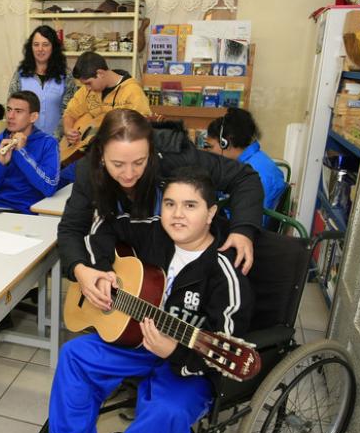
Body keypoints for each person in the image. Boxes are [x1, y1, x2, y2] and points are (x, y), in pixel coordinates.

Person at [44, 165, 253, 433]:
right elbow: (102, 224)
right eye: (170, 204)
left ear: (211, 213)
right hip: (139, 342)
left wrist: (176, 352)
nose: (177, 214)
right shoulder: (154, 232)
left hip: (189, 362)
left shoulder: (226, 274)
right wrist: (97, 268)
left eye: (190, 206)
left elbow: (225, 345)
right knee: (76, 355)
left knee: (166, 412)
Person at [58, 109, 263, 322]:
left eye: (139, 162)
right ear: (101, 155)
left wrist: (243, 230)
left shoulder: (177, 157)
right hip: (131, 266)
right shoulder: (87, 170)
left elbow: (243, 178)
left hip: (178, 262)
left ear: (151, 150)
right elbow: (71, 228)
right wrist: (80, 269)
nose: (129, 174)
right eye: (117, 164)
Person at [59, 51, 152, 183]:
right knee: (58, 174)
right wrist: (68, 129)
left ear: (100, 73)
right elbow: (70, 113)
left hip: (113, 159)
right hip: (85, 152)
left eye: (89, 83)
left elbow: (141, 129)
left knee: (63, 178)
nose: (87, 88)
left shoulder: (132, 92)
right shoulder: (87, 90)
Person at [0, 91, 59, 213]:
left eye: (18, 111)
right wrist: (0, 165)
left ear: (33, 117)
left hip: (24, 212)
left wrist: (21, 153)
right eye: (9, 110)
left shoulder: (48, 143)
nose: (10, 116)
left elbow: (49, 188)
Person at [205, 108, 286, 212]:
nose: (208, 152)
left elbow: (243, 218)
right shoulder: (255, 161)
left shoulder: (252, 174)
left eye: (210, 147)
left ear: (225, 143)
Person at [7, 26, 76, 137]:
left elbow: (70, 111)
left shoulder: (65, 75)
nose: (40, 49)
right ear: (31, 48)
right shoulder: (20, 74)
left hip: (57, 143)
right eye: (36, 45)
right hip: (26, 141)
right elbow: (12, 109)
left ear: (53, 48)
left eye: (45, 44)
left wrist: (53, 139)